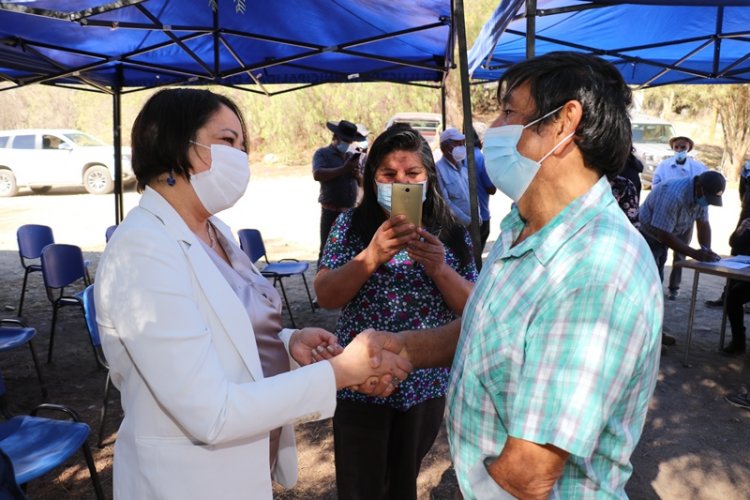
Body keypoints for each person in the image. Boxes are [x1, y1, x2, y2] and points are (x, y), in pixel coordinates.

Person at [357, 51, 664, 499]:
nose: (492, 129)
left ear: (564, 122)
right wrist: (401, 347)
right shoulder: (524, 227)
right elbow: (487, 328)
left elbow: (530, 474)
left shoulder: (595, 269)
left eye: (507, 110)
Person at [94, 89, 410, 500]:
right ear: (176, 145)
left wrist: (288, 343)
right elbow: (210, 411)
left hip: (245, 467)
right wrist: (341, 372)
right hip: (188, 483)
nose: (240, 157)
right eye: (227, 142)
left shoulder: (214, 231)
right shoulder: (143, 249)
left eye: (243, 146)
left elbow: (222, 331)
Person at [314, 125, 477, 500]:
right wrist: (370, 257)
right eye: (388, 175)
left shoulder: (451, 231)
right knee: (360, 486)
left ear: (428, 177)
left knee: (402, 483)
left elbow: (474, 309)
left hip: (424, 383)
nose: (400, 182)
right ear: (373, 180)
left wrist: (439, 269)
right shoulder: (352, 225)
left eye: (412, 174)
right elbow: (326, 295)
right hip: (360, 380)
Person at [639, 170, 724, 347]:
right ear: (699, 187)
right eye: (707, 198)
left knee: (656, 287)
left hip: (669, 234)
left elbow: (703, 223)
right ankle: (643, 340)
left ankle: (655, 334)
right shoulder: (673, 195)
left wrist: (706, 249)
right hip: (648, 237)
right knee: (648, 288)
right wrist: (694, 253)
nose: (707, 203)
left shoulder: (702, 194)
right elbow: (663, 235)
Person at [652, 136, 708, 300]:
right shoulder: (664, 166)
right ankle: (655, 287)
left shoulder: (699, 168)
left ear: (689, 148)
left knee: (680, 253)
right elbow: (655, 185)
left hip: (685, 219)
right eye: (676, 147)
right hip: (664, 213)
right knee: (659, 253)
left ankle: (674, 287)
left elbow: (704, 218)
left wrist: (706, 248)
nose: (679, 150)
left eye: (682, 147)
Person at [313, 119, 366, 263]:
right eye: (345, 141)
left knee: (348, 250)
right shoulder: (322, 154)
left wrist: (357, 175)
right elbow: (317, 174)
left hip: (349, 211)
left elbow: (362, 183)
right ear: (335, 138)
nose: (347, 145)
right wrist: (343, 170)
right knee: (326, 250)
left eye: (349, 142)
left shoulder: (350, 157)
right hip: (331, 211)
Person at [436, 127, 474, 226]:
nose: (462, 146)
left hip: (473, 225)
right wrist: (468, 221)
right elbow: (446, 202)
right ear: (446, 147)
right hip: (456, 227)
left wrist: (478, 215)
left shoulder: (463, 167)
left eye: (462, 143)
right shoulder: (439, 170)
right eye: (458, 143)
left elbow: (472, 194)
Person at [468, 125, 497, 251]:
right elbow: (491, 189)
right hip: (481, 214)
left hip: (463, 215)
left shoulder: (460, 158)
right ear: (481, 141)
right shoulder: (481, 158)